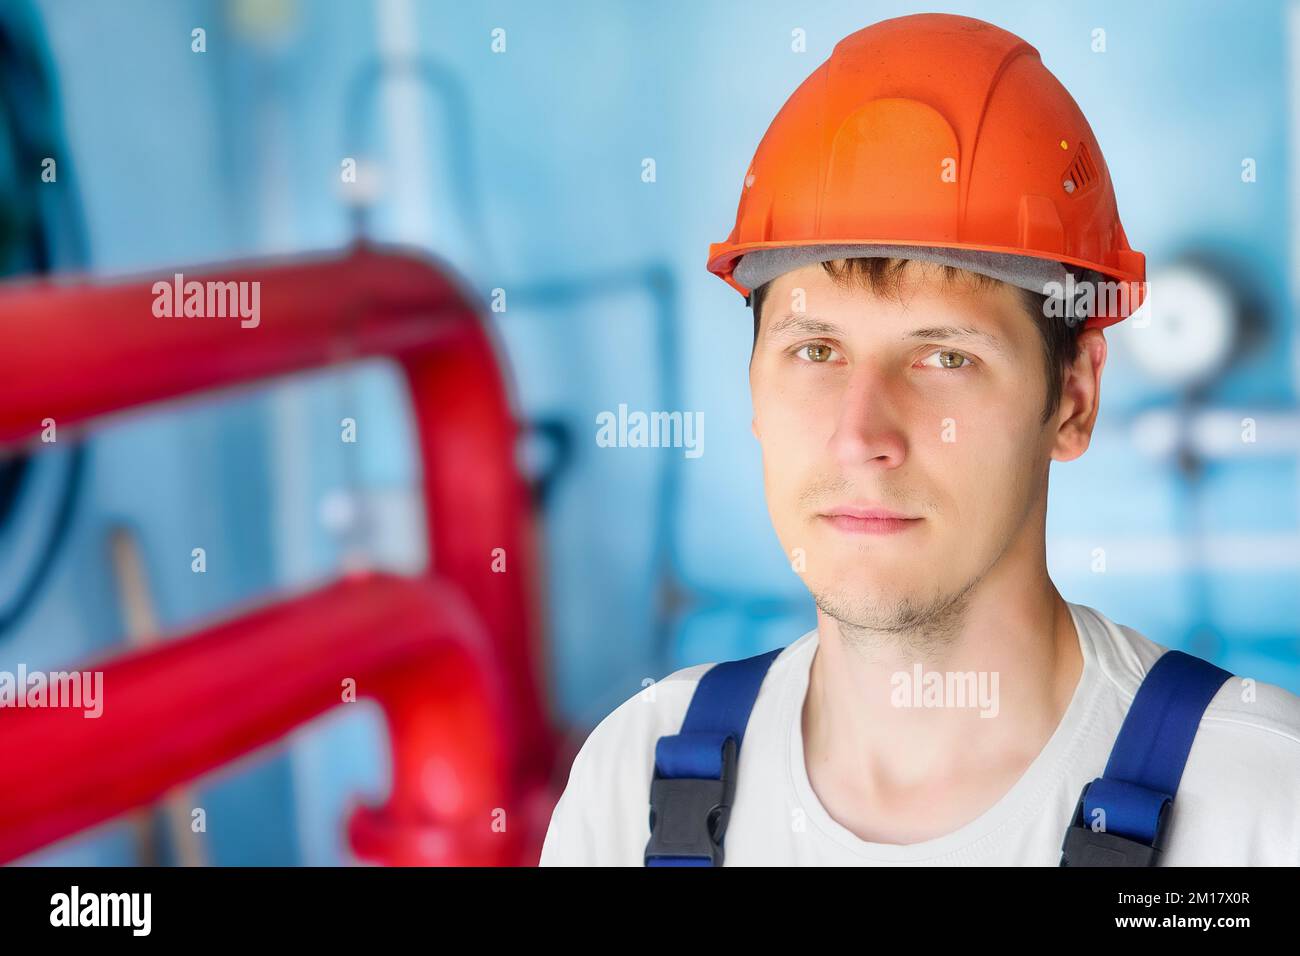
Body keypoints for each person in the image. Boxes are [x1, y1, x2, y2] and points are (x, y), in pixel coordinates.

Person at [539, 12, 1300, 866]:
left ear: (1074, 398)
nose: (860, 435)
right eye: (815, 350)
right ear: (752, 385)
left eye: (944, 356)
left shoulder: (1259, 808)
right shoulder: (630, 788)